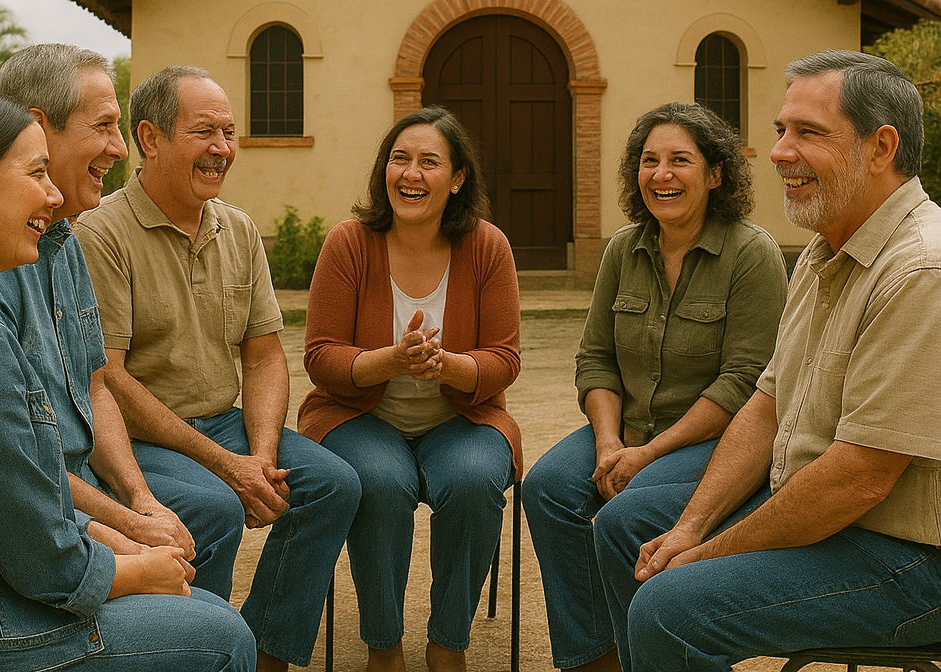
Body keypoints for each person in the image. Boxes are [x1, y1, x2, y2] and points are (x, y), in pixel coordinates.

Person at [594, 50, 941, 672]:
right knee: (626, 524)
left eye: (807, 133)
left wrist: (709, 552)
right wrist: (690, 527)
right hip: (833, 515)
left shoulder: (922, 269)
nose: (779, 151)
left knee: (670, 607)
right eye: (782, 130)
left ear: (880, 147)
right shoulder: (824, 248)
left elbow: (859, 477)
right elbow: (766, 401)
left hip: (908, 555)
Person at [0, 82, 256, 672]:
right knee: (222, 635)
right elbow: (43, 561)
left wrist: (127, 535)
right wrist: (139, 567)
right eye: (36, 173)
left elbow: (23, 496)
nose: (52, 194)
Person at [75, 65, 361, 672]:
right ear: (149, 139)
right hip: (149, 438)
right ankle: (198, 649)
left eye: (230, 133)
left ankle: (260, 653)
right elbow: (112, 380)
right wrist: (228, 469)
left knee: (334, 485)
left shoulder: (239, 227)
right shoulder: (101, 233)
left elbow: (263, 354)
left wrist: (258, 456)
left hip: (228, 428)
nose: (223, 150)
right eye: (206, 132)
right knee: (218, 505)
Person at [523, 102, 787, 672]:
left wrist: (646, 454)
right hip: (626, 432)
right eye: (649, 161)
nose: (661, 174)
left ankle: (647, 653)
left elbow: (745, 383)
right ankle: (595, 658)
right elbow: (595, 359)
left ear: (716, 174)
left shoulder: (752, 253)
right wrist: (609, 442)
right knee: (547, 489)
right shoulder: (624, 248)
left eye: (679, 161)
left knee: (631, 509)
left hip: (707, 442)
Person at [0, 44, 242, 594]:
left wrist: (140, 497)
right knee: (221, 634)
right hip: (45, 514)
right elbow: (20, 465)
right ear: (38, 128)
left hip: (82, 482)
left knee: (224, 515)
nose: (122, 148)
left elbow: (96, 381)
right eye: (105, 125)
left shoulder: (64, 241)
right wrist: (131, 529)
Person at [298, 105, 521, 672]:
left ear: (457, 179)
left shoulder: (488, 246)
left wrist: (446, 366)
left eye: (429, 162)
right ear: (384, 170)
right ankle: (384, 647)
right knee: (377, 481)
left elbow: (504, 359)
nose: (411, 174)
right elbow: (321, 358)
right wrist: (391, 361)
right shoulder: (349, 243)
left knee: (474, 480)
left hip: (461, 419)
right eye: (400, 159)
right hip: (357, 417)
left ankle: (448, 646)